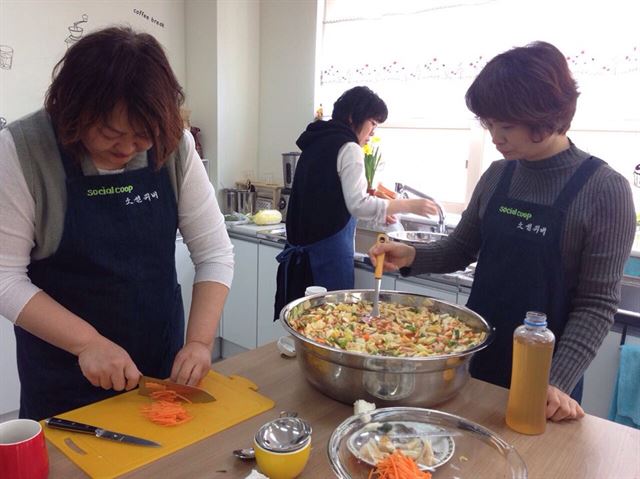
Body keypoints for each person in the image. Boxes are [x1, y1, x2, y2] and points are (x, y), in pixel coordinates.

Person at [369, 42, 636, 422]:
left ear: (545, 115)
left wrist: (555, 382)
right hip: (474, 360)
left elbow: (596, 304)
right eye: (489, 124)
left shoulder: (604, 189)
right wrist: (410, 254)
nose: (495, 136)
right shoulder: (498, 174)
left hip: (544, 381)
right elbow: (462, 248)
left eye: (506, 126)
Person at [0, 27, 234, 420]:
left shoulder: (174, 144)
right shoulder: (23, 150)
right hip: (63, 376)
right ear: (72, 111)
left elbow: (214, 253)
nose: (127, 149)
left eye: (143, 137)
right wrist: (86, 343)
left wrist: (197, 342)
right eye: (111, 134)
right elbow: (5, 276)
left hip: (160, 369)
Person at [274, 86, 437, 319]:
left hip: (303, 255)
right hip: (326, 259)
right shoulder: (349, 147)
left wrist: (381, 213)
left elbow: (329, 199)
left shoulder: (316, 141)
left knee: (304, 324)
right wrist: (408, 205)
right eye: (373, 123)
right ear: (353, 117)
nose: (372, 133)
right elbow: (358, 204)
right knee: (331, 327)